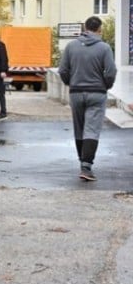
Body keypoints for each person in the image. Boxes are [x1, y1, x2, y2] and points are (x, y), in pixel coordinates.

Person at [58, 16, 117, 181]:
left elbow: (63, 70)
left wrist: (71, 83)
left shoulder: (71, 46)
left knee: (79, 128)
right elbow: (111, 72)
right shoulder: (104, 48)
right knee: (92, 129)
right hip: (97, 93)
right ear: (99, 29)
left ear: (85, 28)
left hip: (76, 93)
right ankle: (86, 166)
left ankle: (82, 162)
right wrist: (106, 85)